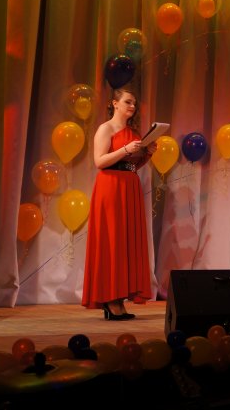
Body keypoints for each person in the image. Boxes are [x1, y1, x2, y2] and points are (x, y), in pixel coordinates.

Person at [82, 87, 156, 321]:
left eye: (134, 103)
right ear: (115, 103)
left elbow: (131, 166)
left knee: (125, 243)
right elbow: (99, 161)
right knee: (112, 241)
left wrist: (146, 154)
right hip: (111, 187)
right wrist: (125, 149)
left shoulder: (133, 132)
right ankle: (110, 298)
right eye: (127, 102)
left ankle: (119, 298)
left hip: (129, 186)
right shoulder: (106, 128)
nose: (132, 106)